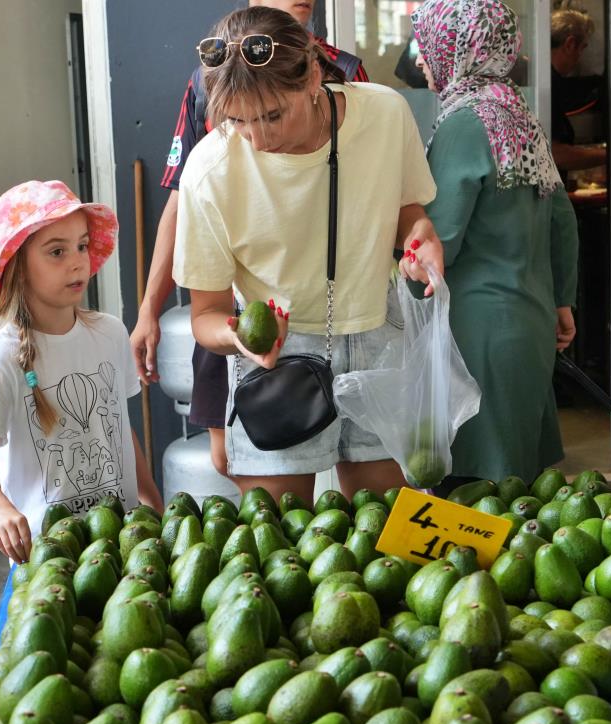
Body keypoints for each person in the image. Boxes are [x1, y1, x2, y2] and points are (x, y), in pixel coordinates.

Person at [173, 6, 442, 501]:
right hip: (279, 354)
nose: (259, 137)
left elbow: (409, 210)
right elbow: (206, 314)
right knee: (279, 540)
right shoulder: (209, 170)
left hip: (378, 334)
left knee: (382, 529)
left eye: (273, 114)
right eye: (238, 121)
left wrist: (421, 237)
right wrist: (240, 340)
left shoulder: (383, 115)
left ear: (315, 74)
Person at [132, 0, 367, 480]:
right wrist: (148, 309)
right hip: (242, 304)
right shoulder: (212, 76)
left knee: (349, 466)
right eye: (239, 122)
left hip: (340, 312)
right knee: (237, 457)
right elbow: (185, 197)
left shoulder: (347, 70)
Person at [411, 0, 579, 487]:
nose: (422, 58)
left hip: (476, 336)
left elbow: (439, 242)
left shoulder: (465, 122)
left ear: (459, 47)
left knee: (476, 495)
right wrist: (562, 301)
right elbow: (562, 218)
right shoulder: (516, 114)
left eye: (427, 45)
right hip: (527, 322)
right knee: (518, 485)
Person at [0, 180, 163, 563]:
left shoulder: (110, 333)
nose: (77, 261)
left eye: (83, 245)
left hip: (124, 542)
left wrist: (152, 499)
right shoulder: (2, 359)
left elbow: (118, 426)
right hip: (47, 554)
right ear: (18, 265)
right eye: (57, 251)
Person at [550, 8, 606, 173]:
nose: (581, 56)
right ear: (570, 44)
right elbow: (557, 154)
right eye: (582, 48)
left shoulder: (545, 79)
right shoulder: (547, 85)